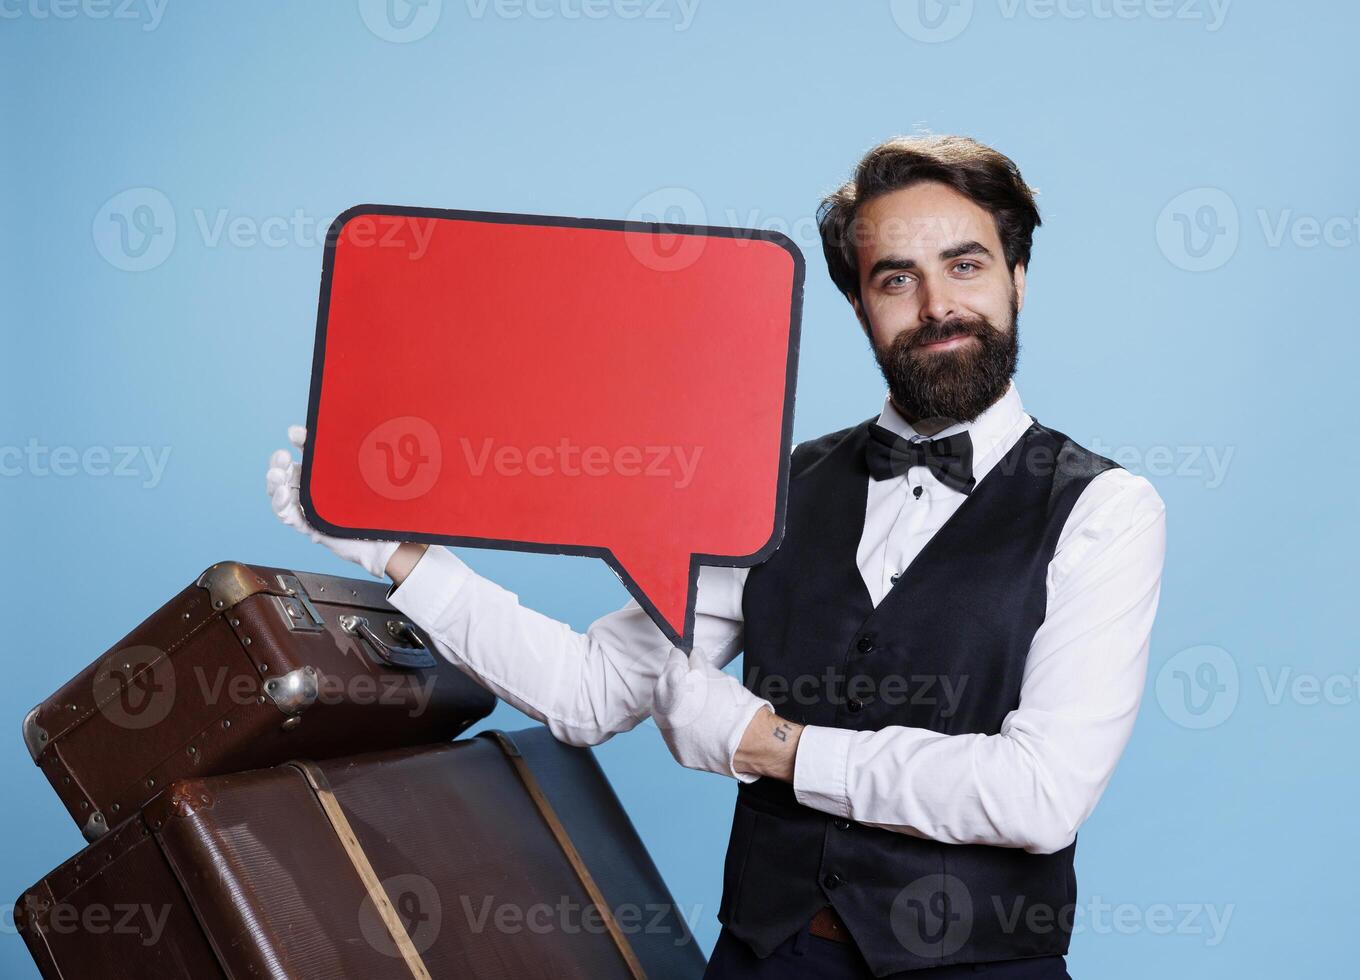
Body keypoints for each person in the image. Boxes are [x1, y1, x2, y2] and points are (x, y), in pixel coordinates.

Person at [266, 134, 1166, 979]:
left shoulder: (1105, 511)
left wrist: (771, 746)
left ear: (1017, 275)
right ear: (857, 304)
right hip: (762, 957)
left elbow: (1040, 795)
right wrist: (401, 553)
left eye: (965, 266)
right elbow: (588, 693)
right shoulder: (766, 492)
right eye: (897, 279)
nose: (937, 307)